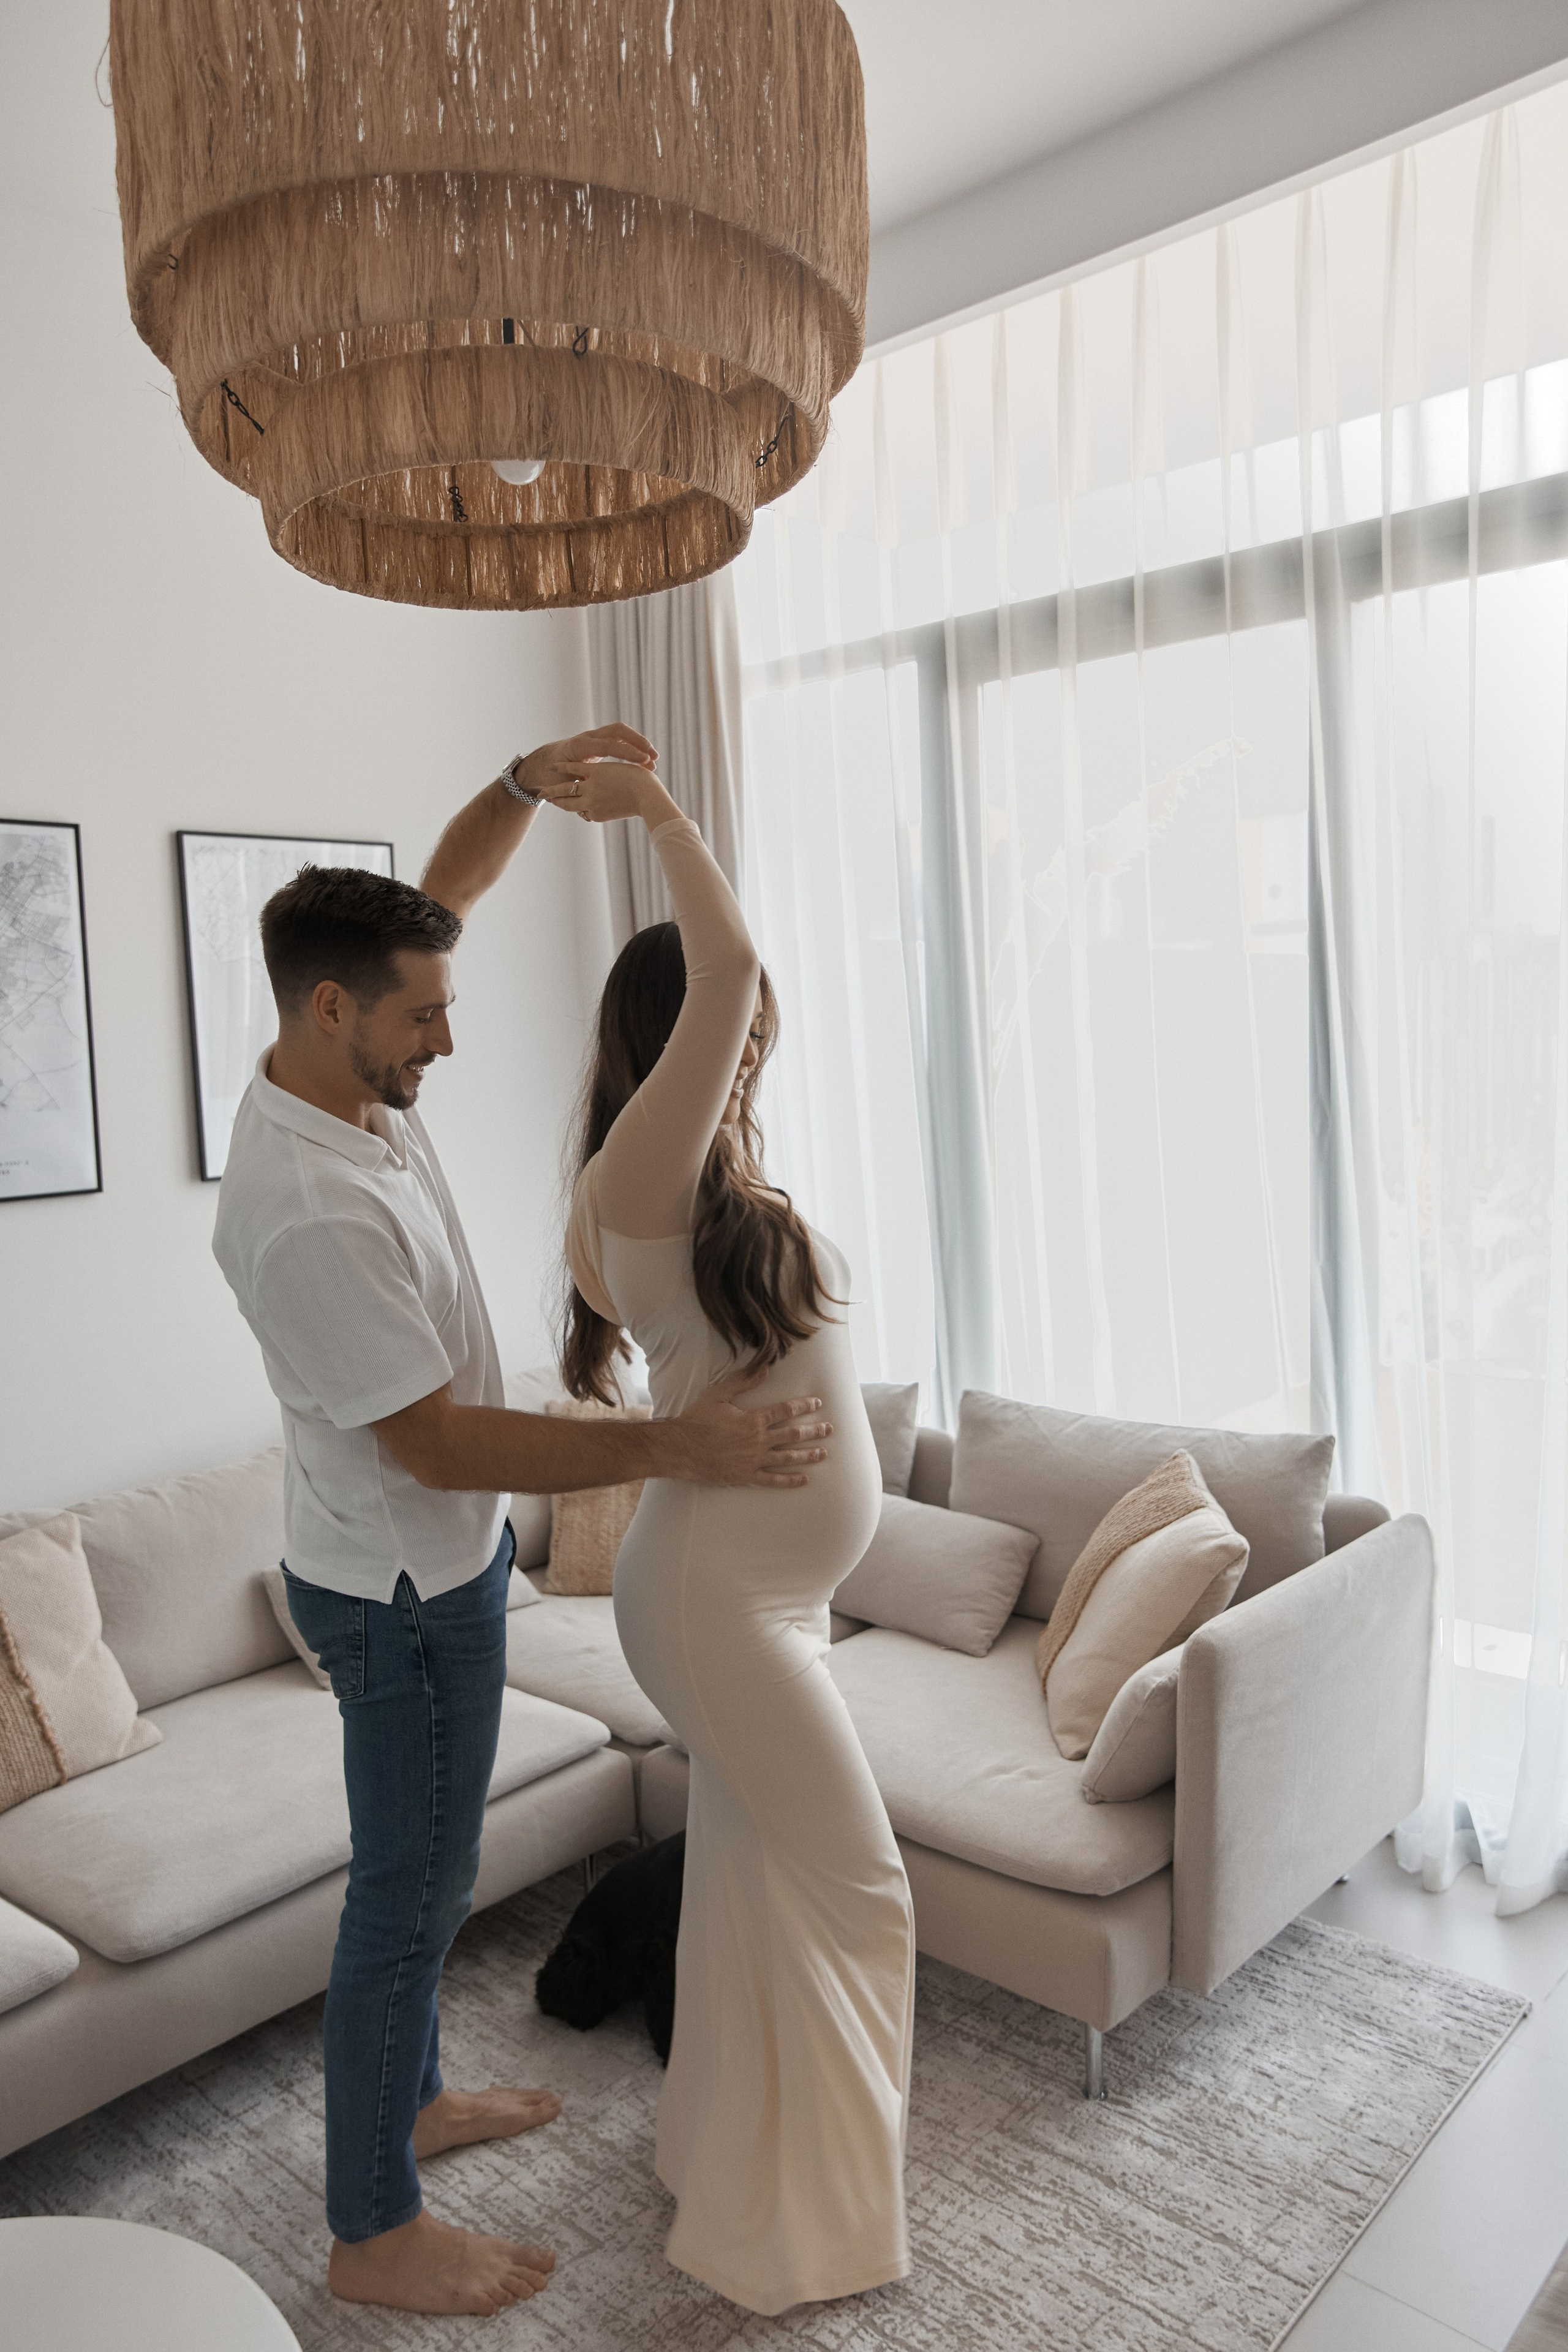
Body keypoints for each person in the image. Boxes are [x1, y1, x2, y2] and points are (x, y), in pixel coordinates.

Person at [211, 727, 834, 2322]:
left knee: (431, 1871)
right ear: (334, 1011)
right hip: (400, 1589)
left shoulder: (347, 1063)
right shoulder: (303, 1210)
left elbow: (452, 884)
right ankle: (372, 2226)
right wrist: (675, 1442)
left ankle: (411, 2105)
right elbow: (429, 1441)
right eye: (429, 1017)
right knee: (405, 1903)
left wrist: (517, 778)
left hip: (449, 1568)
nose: (452, 1041)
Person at [551, 761, 916, 2313]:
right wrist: (658, 811)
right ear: (680, 1034)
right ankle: (811, 2224)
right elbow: (735, 963)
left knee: (756, 1883)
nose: (754, 1047)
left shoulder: (704, 1193)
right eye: (731, 1037)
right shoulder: (632, 1177)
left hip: (759, 1593)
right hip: (720, 1603)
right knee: (862, 1888)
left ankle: (732, 2175)